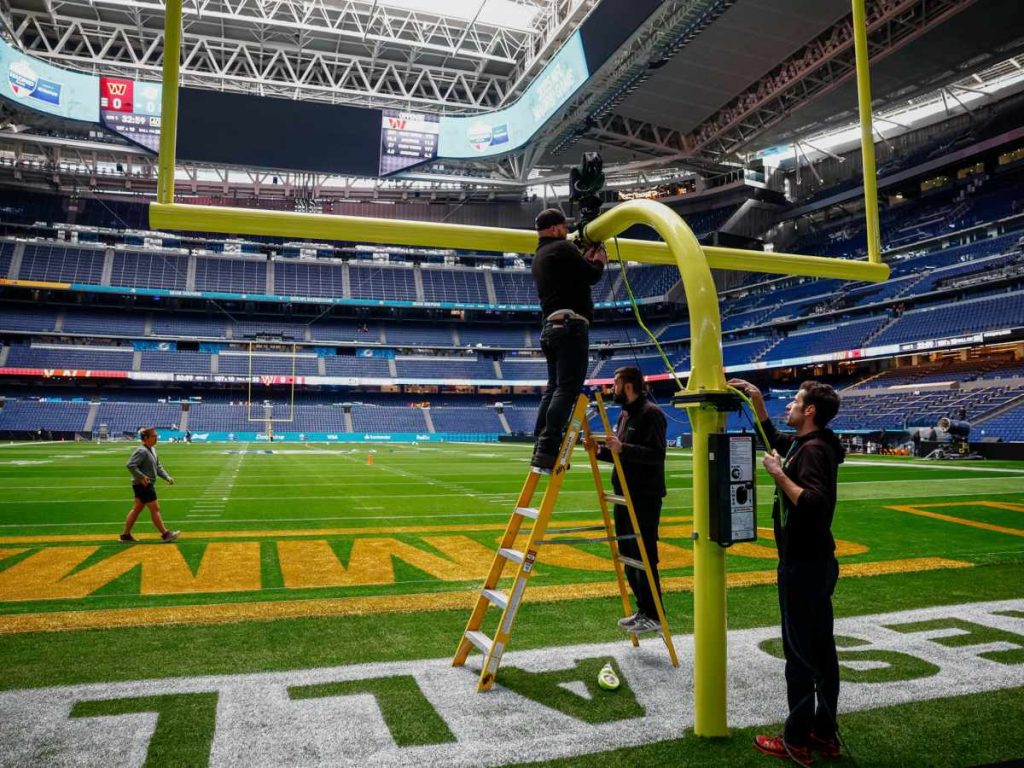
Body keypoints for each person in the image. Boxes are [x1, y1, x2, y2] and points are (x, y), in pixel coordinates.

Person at [728, 378, 845, 765]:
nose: (789, 406)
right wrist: (757, 402)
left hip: (803, 565)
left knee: (800, 656)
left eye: (795, 401)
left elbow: (813, 503)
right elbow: (778, 440)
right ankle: (824, 733)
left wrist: (778, 475)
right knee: (822, 651)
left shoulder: (813, 452)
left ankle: (796, 739)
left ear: (810, 410)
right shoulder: (810, 444)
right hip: (816, 562)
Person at [584, 366, 667, 634]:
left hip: (644, 497)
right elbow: (621, 455)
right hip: (623, 494)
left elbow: (656, 455)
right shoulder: (624, 414)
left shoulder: (652, 413)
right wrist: (599, 451)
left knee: (644, 555)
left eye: (615, 384)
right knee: (628, 555)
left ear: (628, 386)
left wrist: (624, 448)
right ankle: (643, 610)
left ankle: (655, 614)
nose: (612, 389)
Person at [530, 207, 607, 470]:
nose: (566, 231)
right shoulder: (562, 248)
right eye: (563, 227)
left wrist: (582, 259)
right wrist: (599, 261)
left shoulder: (540, 256)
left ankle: (541, 445)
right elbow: (591, 276)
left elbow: (571, 275)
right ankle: (550, 445)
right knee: (566, 389)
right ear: (554, 229)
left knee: (553, 389)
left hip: (550, 327)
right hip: (570, 326)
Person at [120, 427, 180, 543]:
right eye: (154, 436)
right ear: (146, 438)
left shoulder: (152, 449)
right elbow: (130, 465)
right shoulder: (142, 451)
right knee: (155, 509)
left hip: (143, 484)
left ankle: (125, 535)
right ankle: (165, 534)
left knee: (136, 509)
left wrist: (167, 477)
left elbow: (158, 467)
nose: (156, 437)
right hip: (144, 485)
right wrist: (141, 476)